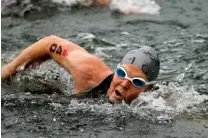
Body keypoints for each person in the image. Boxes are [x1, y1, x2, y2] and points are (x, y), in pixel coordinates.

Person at [1, 35, 160, 104]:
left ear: (146, 90)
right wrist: (9, 70)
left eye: (137, 82)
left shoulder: (153, 103)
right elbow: (50, 43)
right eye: (121, 73)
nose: (125, 83)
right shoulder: (88, 72)